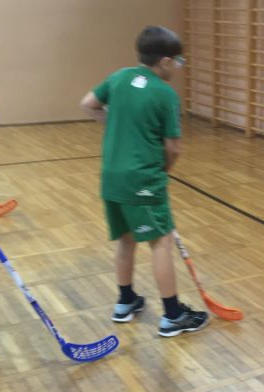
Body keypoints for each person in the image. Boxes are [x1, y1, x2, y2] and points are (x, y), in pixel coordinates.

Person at [81, 26, 208, 337]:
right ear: (165, 61)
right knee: (160, 242)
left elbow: (88, 104)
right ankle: (173, 315)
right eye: (178, 61)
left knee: (126, 240)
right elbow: (173, 147)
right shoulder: (165, 94)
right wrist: (163, 171)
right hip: (143, 179)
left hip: (111, 178)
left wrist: (117, 123)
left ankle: (125, 301)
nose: (179, 66)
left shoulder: (119, 77)